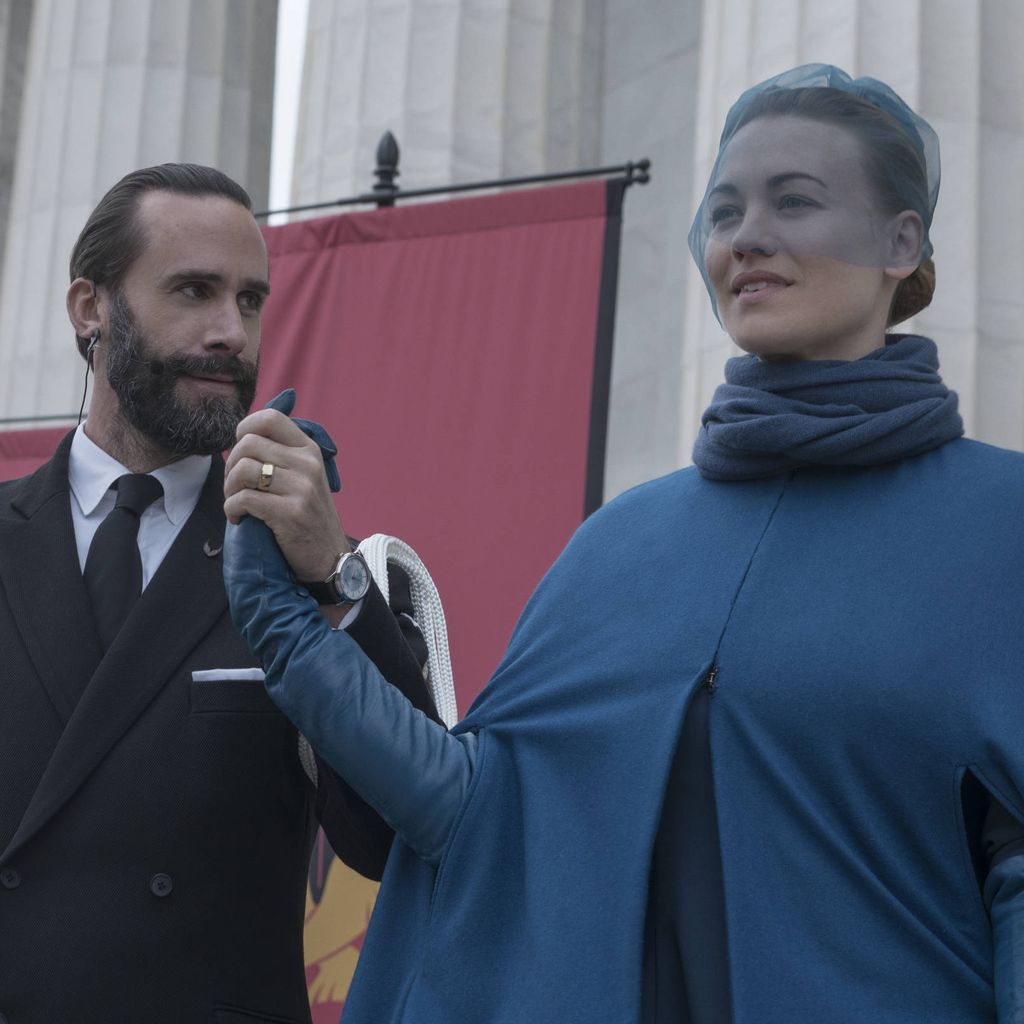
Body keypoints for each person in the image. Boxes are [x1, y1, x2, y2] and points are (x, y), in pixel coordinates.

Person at [224, 65, 1024, 1023]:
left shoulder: (1002, 523)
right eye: (724, 212)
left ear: (904, 242)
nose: (747, 237)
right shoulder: (619, 544)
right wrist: (294, 626)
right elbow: (478, 818)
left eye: (795, 201)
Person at [0, 163, 438, 1023]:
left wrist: (328, 579)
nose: (231, 332)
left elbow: (401, 833)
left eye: (248, 300)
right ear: (91, 310)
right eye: (195, 292)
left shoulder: (311, 567)